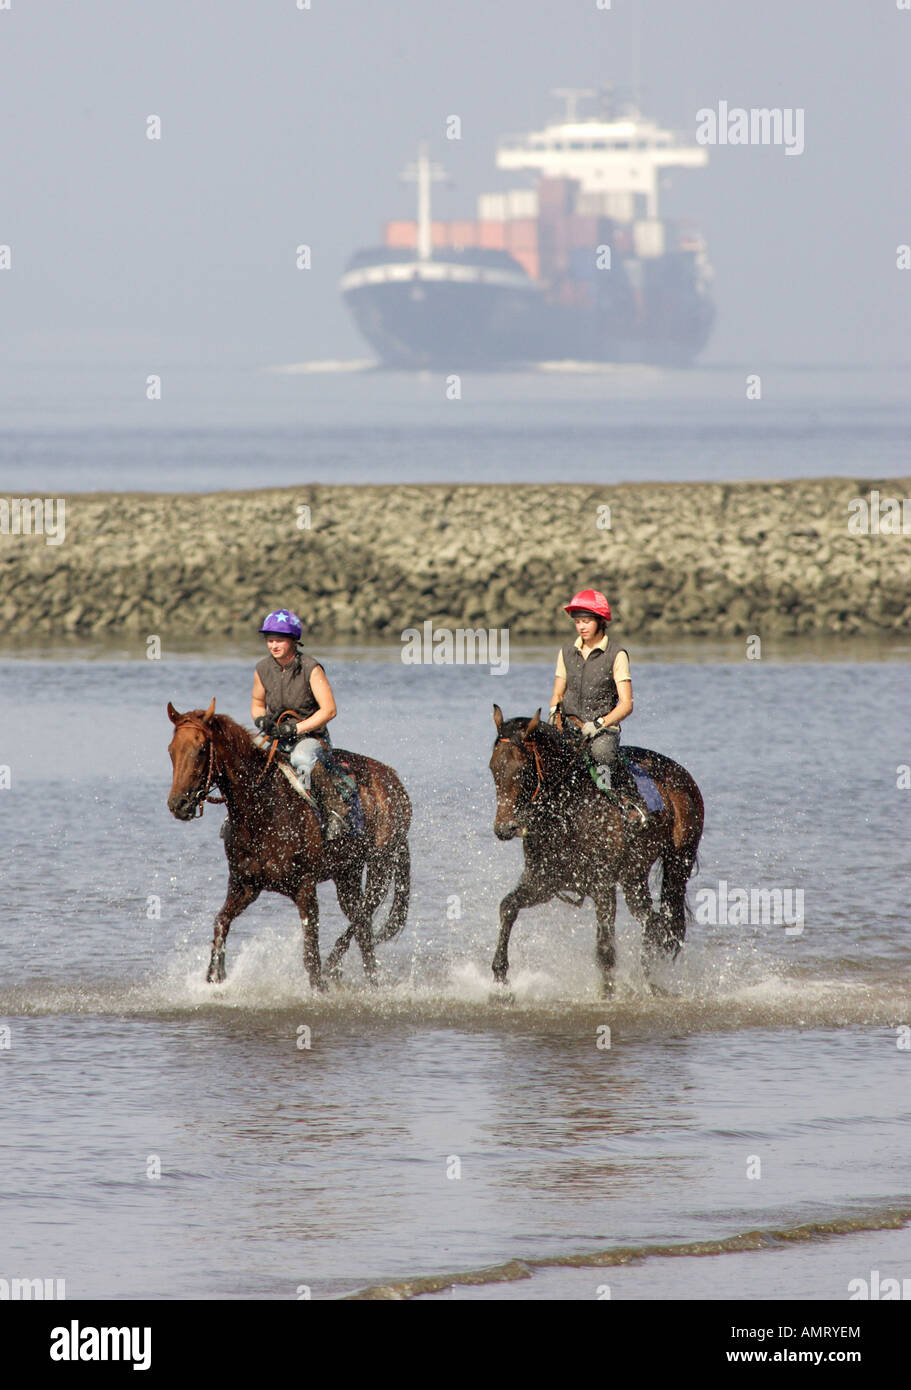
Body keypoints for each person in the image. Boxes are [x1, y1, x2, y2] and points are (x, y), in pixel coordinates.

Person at [548, 588, 649, 823]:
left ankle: (625, 803)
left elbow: (626, 705)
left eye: (587, 621)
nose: (581, 627)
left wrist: (600, 723)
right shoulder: (565, 652)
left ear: (600, 621)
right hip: (569, 724)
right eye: (578, 622)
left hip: (603, 729)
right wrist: (554, 712)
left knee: (601, 754)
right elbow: (557, 693)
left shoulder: (616, 655)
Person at [251, 608, 349, 842]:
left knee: (301, 759)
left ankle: (336, 812)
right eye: (270, 640)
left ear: (293, 641)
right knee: (245, 753)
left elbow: (329, 710)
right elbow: (257, 703)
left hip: (311, 738)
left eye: (279, 640)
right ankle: (239, 815)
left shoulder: (311, 668)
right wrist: (261, 720)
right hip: (276, 737)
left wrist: (296, 728)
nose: (273, 645)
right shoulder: (262, 669)